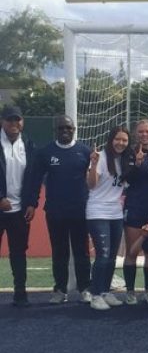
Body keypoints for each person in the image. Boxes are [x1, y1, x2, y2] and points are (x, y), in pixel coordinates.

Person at [30, 115, 93, 304]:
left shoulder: (85, 151)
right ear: (55, 131)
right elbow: (35, 179)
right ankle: (60, 289)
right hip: (56, 211)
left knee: (82, 251)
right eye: (61, 128)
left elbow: (93, 181)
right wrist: (32, 203)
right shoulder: (45, 152)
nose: (65, 131)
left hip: (80, 210)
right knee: (59, 251)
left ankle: (85, 288)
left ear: (74, 129)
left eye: (68, 128)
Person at [86, 126, 130, 311]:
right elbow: (91, 185)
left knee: (112, 256)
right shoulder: (101, 157)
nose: (120, 143)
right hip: (97, 211)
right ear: (111, 139)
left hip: (115, 212)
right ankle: (95, 294)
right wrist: (94, 164)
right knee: (103, 255)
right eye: (117, 139)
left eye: (124, 140)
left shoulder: (125, 160)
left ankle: (105, 291)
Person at [122, 119, 148, 305]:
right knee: (132, 251)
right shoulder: (128, 153)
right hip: (134, 205)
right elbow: (125, 179)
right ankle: (130, 291)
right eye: (141, 132)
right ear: (135, 134)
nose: (144, 135)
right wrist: (137, 164)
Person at [0, 105, 37, 307]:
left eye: (17, 120)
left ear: (22, 121)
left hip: (20, 210)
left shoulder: (29, 145)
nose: (14, 123)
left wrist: (31, 203)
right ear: (2, 122)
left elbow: (33, 178)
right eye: (9, 120)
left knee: (18, 252)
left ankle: (20, 293)